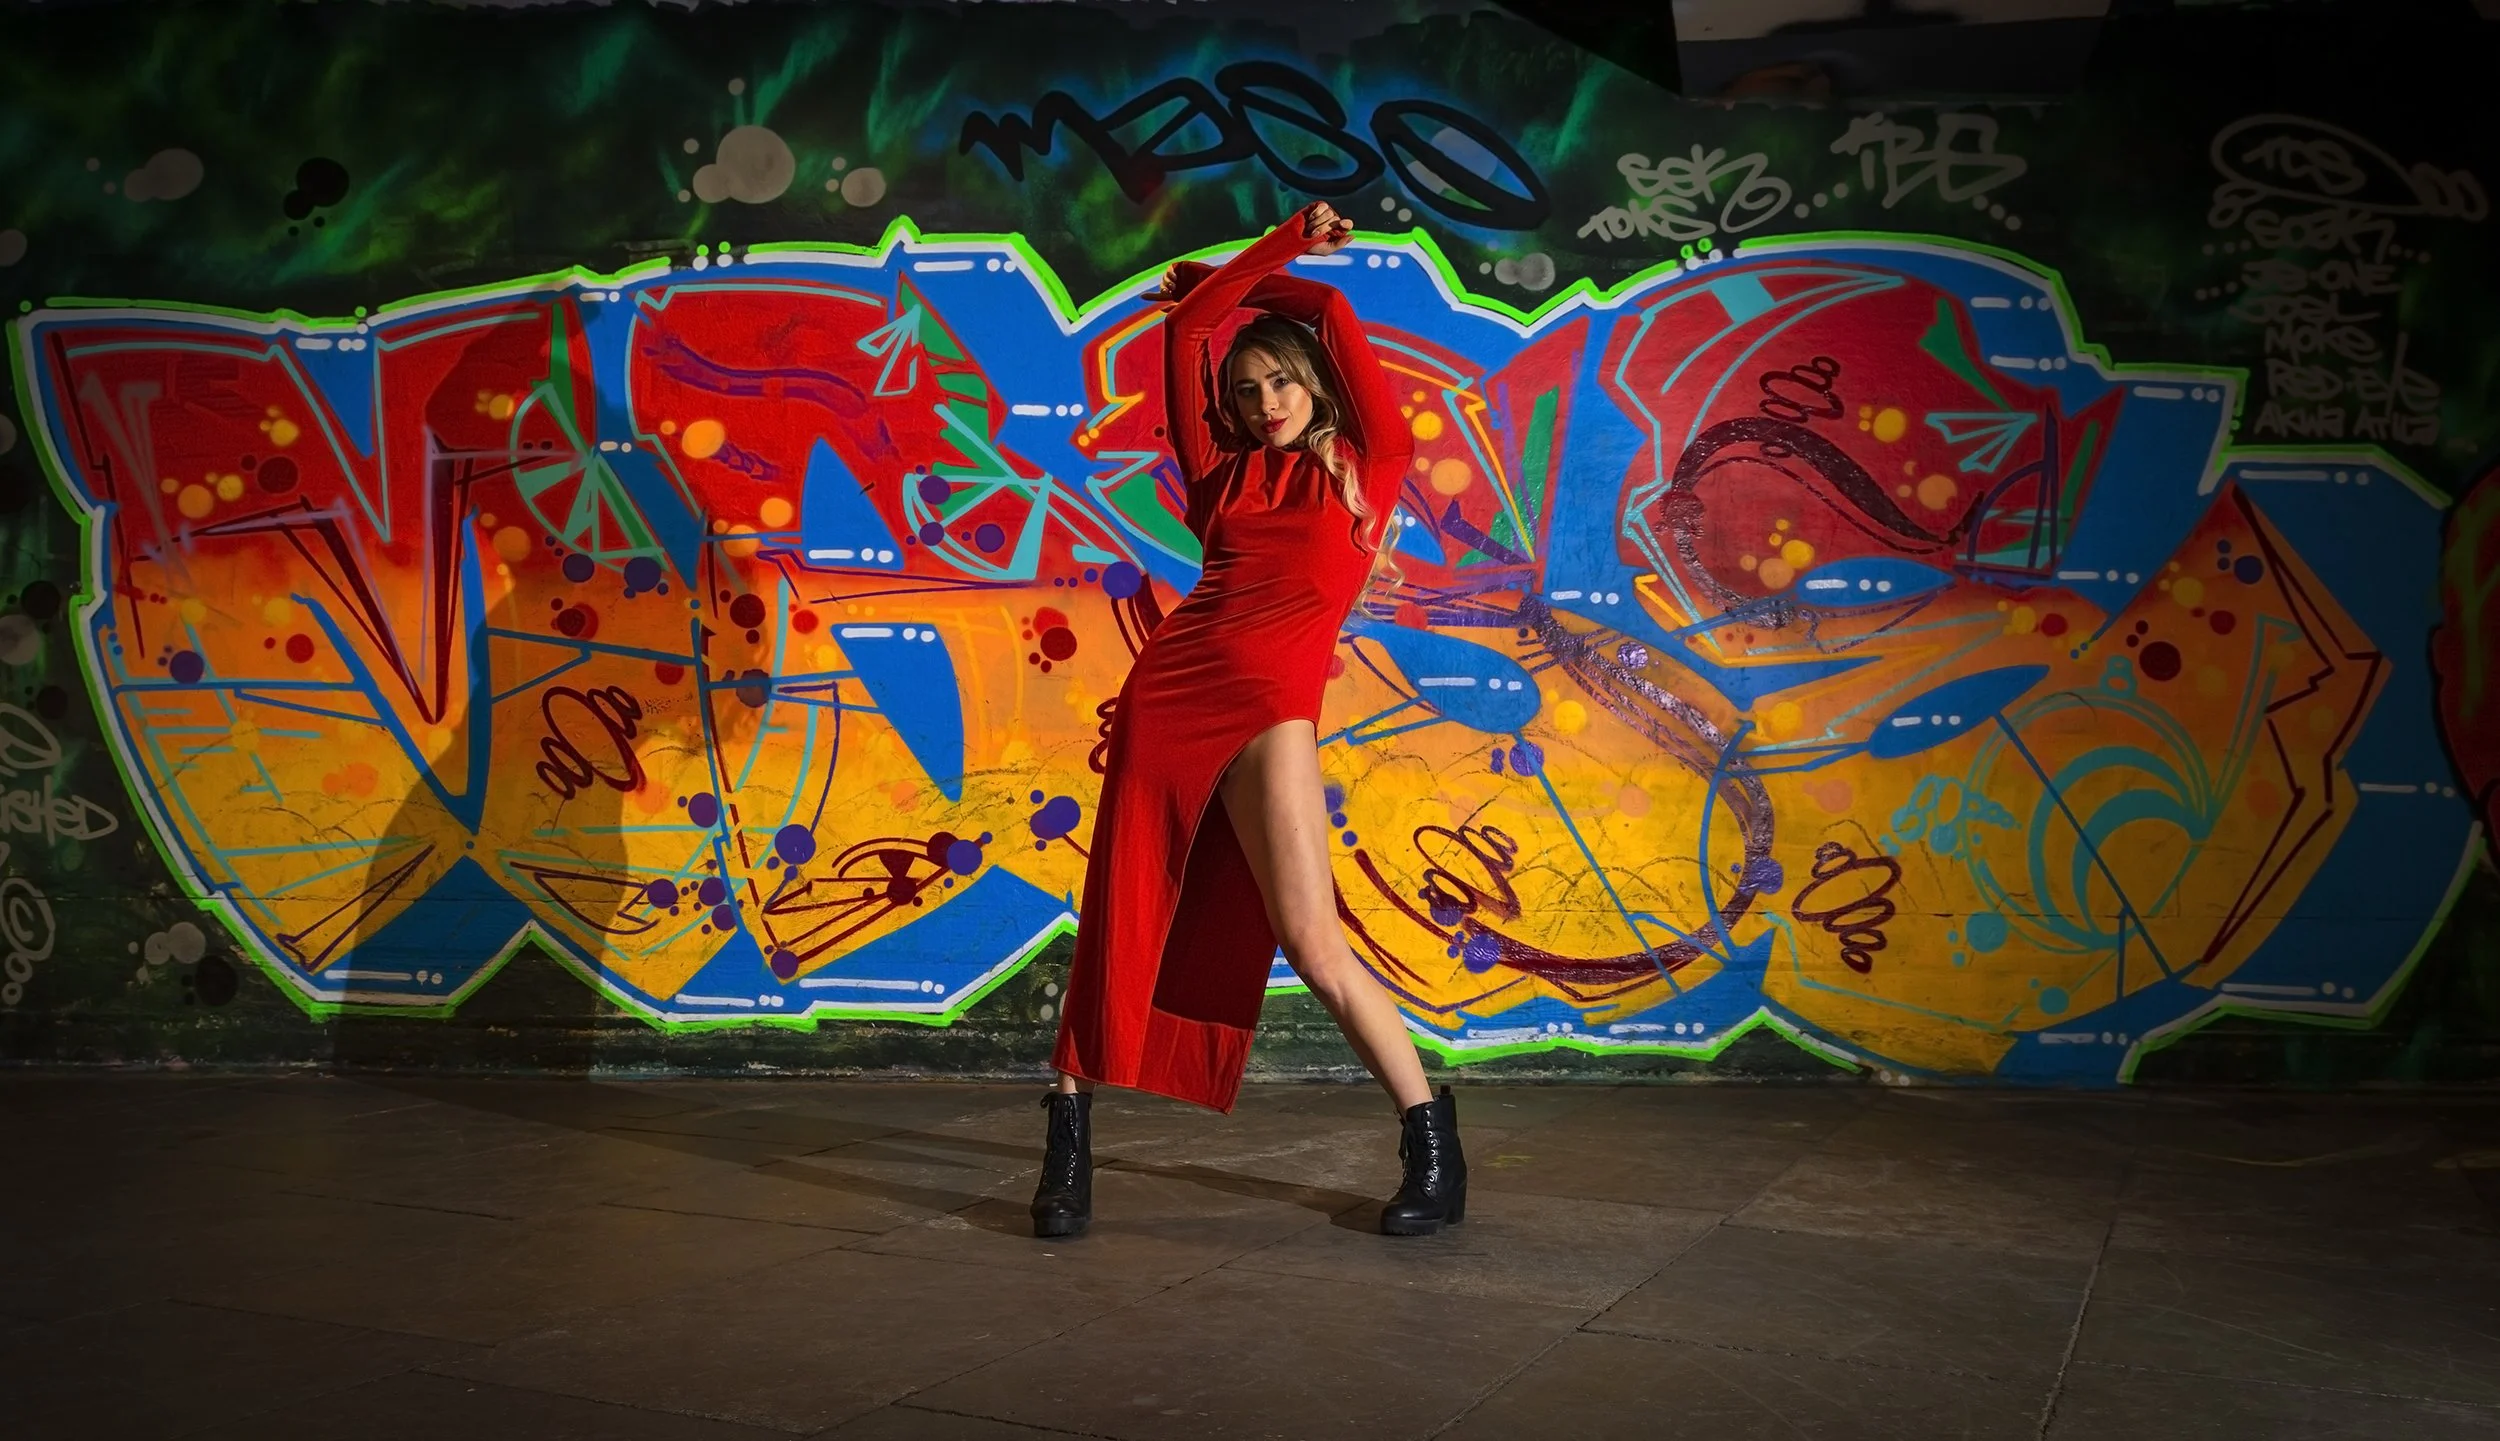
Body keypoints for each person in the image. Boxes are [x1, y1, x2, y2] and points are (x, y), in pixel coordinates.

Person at [1031, 201, 1465, 1240]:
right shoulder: (1221, 476)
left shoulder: (1373, 466)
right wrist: (1214, 295)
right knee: (1119, 918)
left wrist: (1264, 263)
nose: (1263, 400)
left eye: (1277, 379)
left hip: (1273, 711)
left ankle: (1433, 1146)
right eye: (1244, 389)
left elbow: (1324, 305)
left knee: (1312, 939)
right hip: (1171, 698)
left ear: (1312, 381)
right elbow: (1184, 337)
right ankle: (1066, 1139)